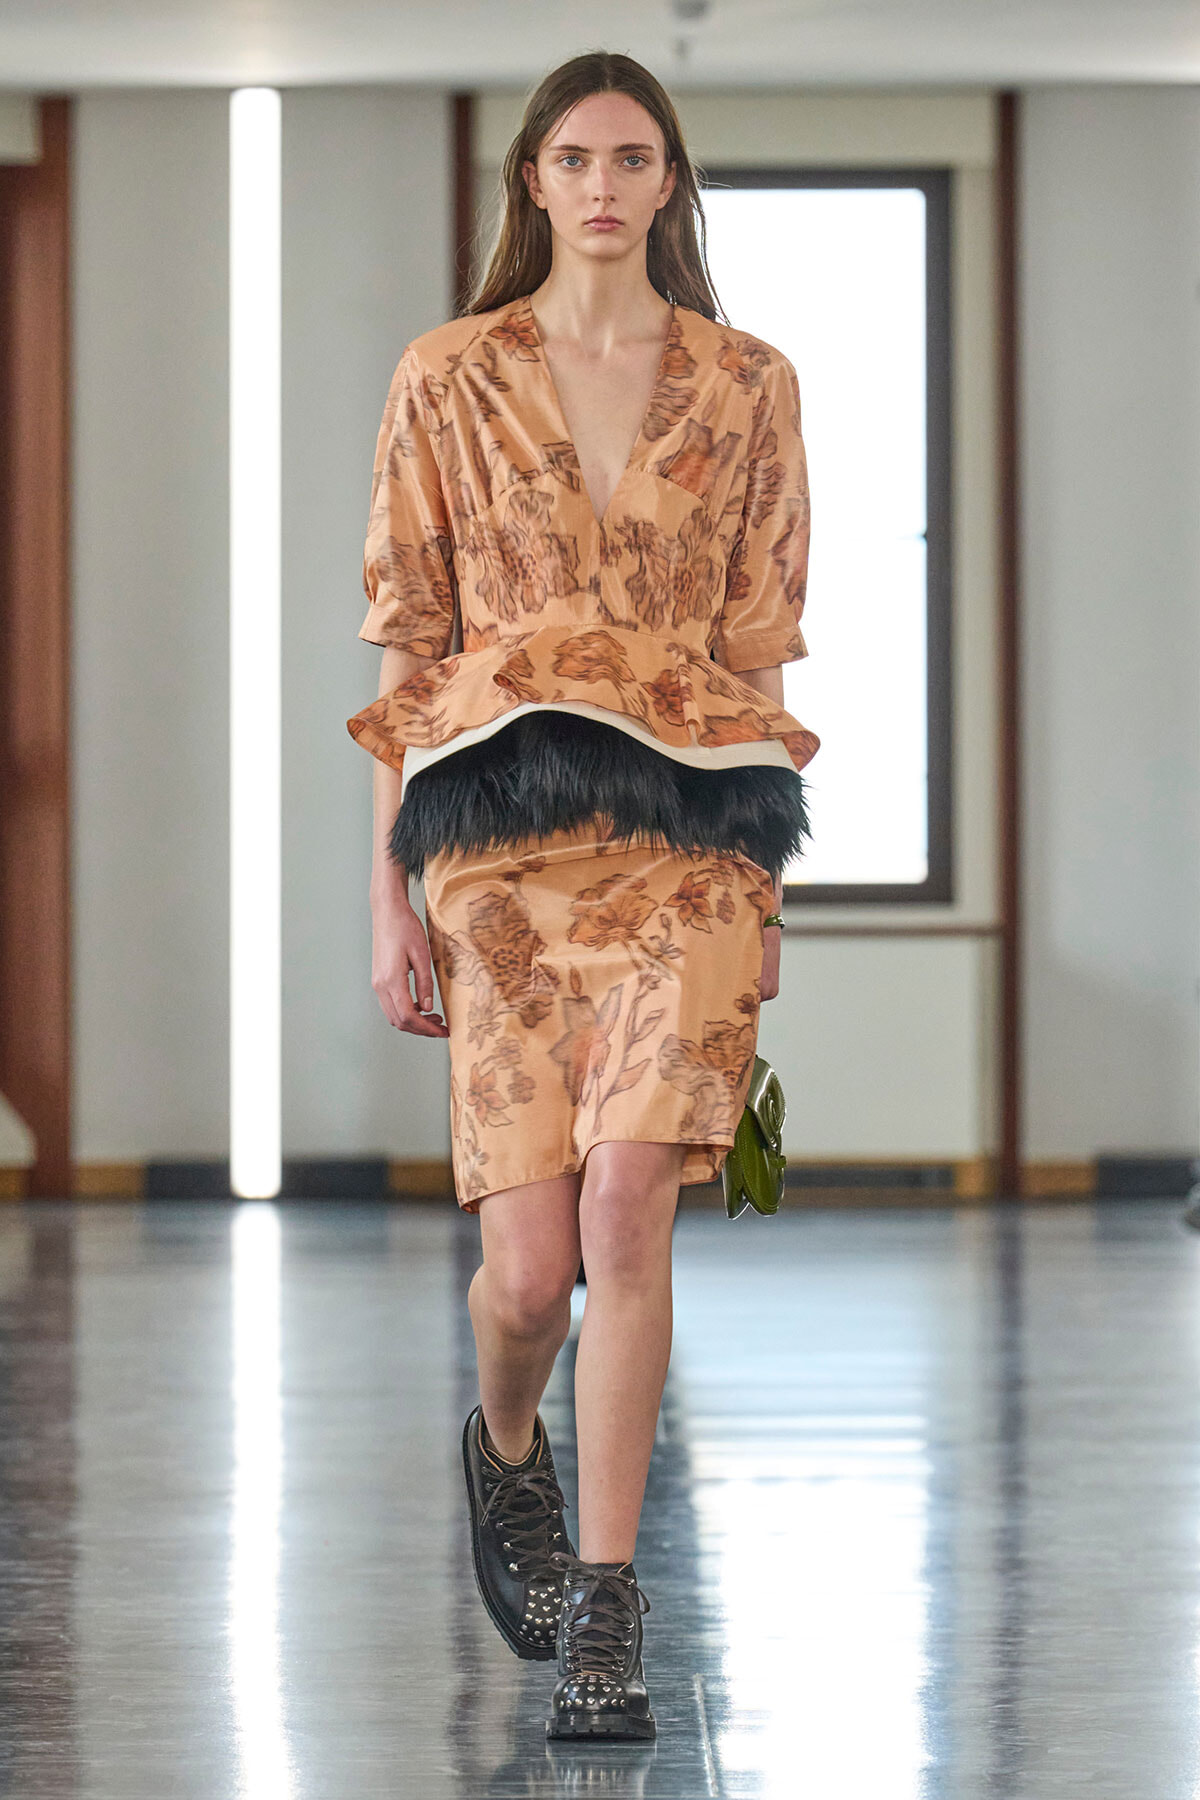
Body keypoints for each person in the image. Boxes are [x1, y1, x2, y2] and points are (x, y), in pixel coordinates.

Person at [347, 50, 819, 1743]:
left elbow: (761, 644)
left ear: (670, 181)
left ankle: (610, 1614)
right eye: (575, 158)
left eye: (634, 156)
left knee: (631, 1212)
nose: (606, 184)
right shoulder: (451, 377)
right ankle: (506, 1448)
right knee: (529, 1277)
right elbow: (407, 646)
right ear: (533, 185)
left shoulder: (748, 384)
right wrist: (388, 894)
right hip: (494, 855)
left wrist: (763, 882)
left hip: (690, 842)